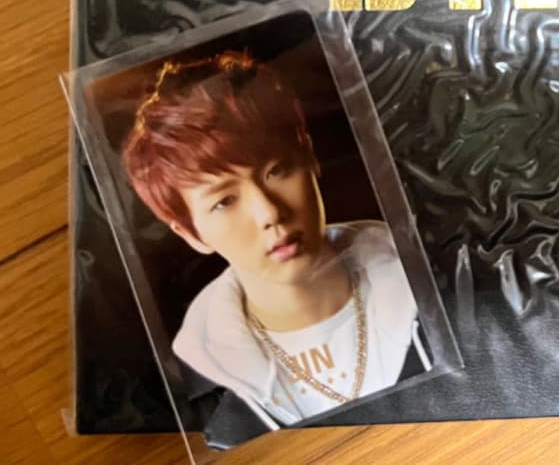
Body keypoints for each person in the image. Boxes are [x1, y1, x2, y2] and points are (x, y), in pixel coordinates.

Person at [120, 50, 430, 429]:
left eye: (277, 171)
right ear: (190, 233)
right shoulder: (193, 386)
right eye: (224, 202)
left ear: (310, 159)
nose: (269, 213)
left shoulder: (439, 275)